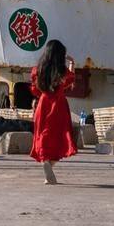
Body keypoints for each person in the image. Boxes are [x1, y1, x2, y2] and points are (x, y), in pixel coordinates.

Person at [30, 39, 77, 184]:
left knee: (43, 133)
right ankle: (49, 165)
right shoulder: (61, 71)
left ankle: (45, 161)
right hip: (59, 105)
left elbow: (35, 89)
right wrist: (72, 64)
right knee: (61, 136)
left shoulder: (38, 69)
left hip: (43, 105)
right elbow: (70, 81)